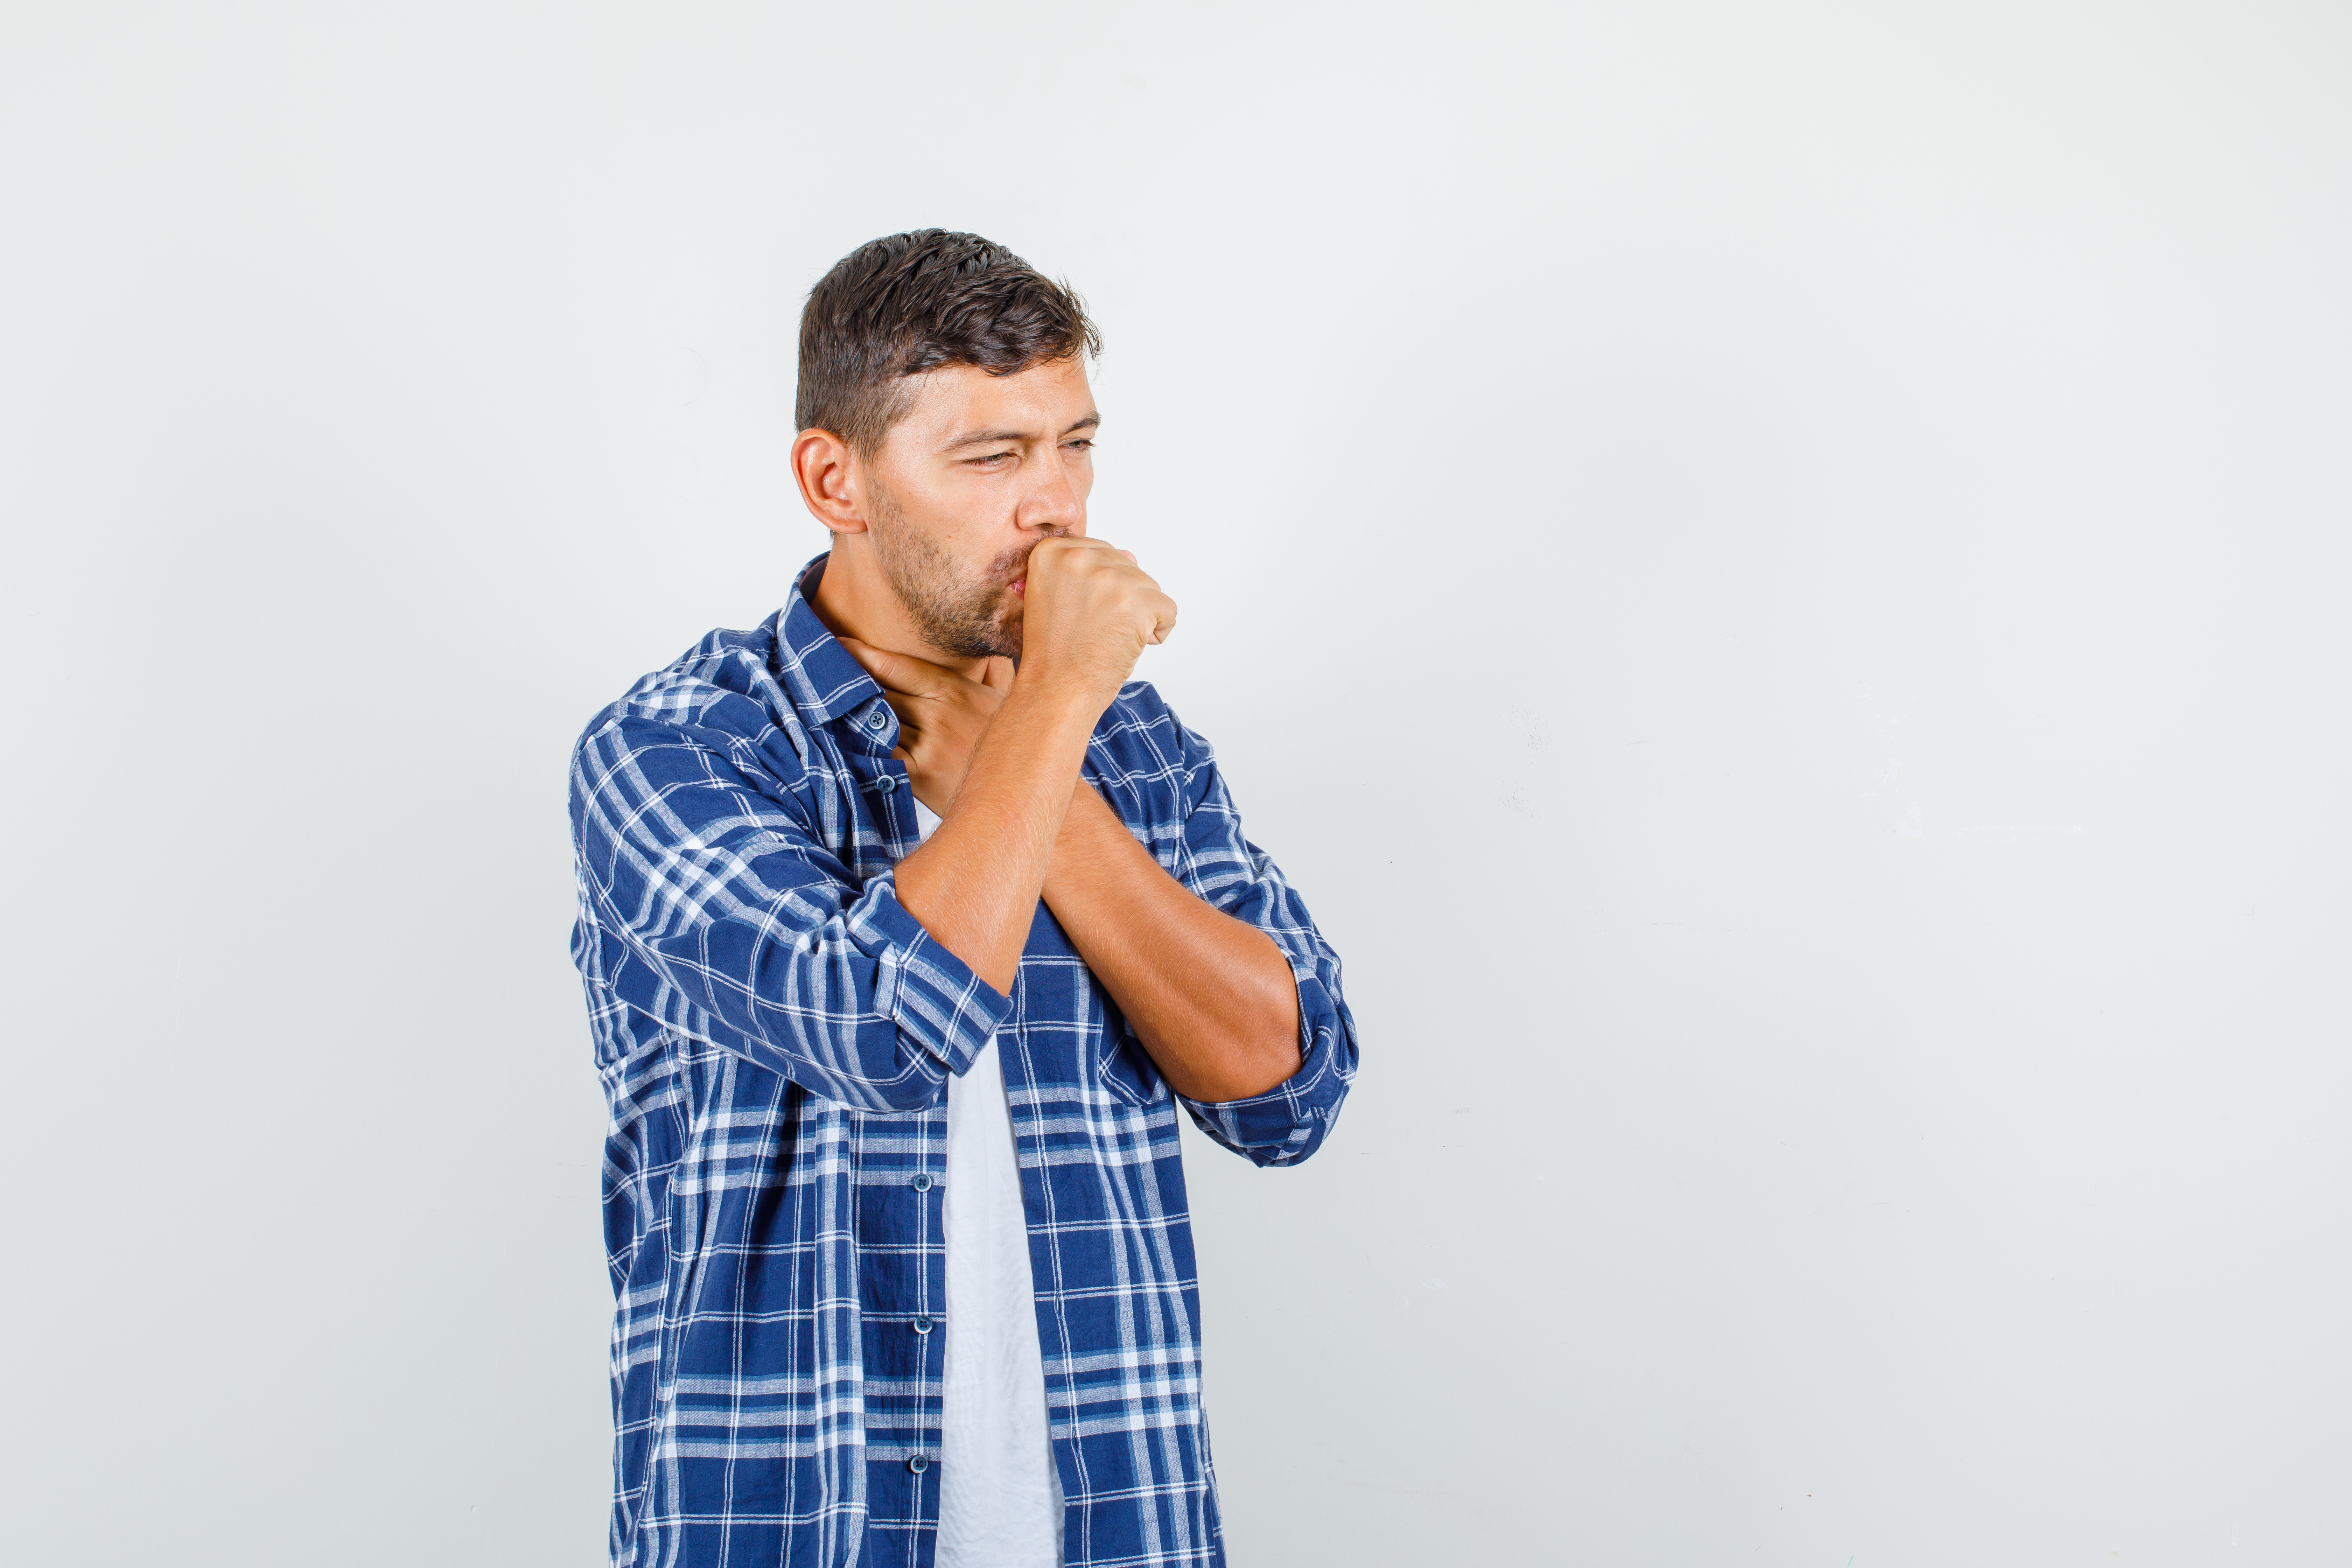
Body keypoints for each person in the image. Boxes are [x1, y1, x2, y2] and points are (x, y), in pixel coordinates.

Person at [567, 229, 1358, 1568]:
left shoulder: (1136, 747)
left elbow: (1288, 1090)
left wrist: (1044, 761)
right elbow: (887, 1033)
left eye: (1076, 445)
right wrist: (1053, 699)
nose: (1055, 506)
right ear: (838, 481)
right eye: (992, 457)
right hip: (792, 1528)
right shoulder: (677, 750)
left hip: (1121, 1529)